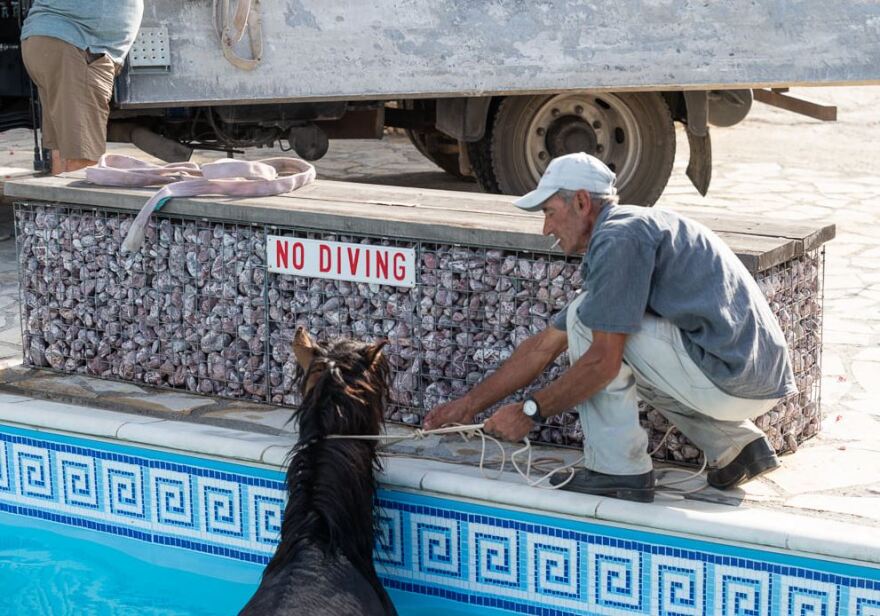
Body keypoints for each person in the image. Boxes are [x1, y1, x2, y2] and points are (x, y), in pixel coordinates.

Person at [423, 152, 796, 503]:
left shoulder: (618, 239)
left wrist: (529, 412)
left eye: (550, 212)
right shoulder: (631, 230)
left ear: (582, 202)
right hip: (753, 379)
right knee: (596, 325)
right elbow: (544, 346)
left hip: (732, 377)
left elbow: (601, 361)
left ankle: (618, 472)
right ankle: (738, 448)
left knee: (590, 324)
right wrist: (469, 405)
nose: (545, 228)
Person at [20, 0, 144, 175]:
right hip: (76, 43)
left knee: (64, 149)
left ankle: (62, 200)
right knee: (83, 156)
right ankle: (79, 200)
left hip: (57, 39)